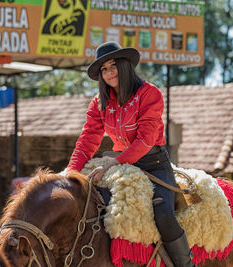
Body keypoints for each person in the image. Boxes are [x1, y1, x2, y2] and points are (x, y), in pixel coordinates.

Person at [66, 41, 192, 267]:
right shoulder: (99, 104)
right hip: (119, 166)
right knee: (93, 209)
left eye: (113, 66)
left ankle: (186, 265)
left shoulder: (149, 94)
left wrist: (111, 164)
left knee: (163, 214)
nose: (109, 73)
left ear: (125, 65)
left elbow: (146, 140)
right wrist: (70, 173)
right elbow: (87, 141)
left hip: (153, 163)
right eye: (104, 69)